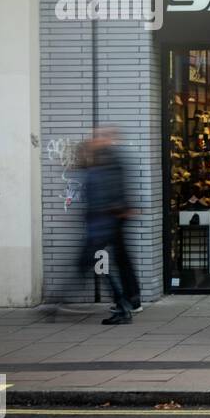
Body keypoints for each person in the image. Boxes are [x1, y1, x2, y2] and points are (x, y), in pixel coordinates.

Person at [81, 127, 140, 325]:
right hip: (111, 218)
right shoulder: (110, 159)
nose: (94, 140)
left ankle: (125, 303)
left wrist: (115, 210)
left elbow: (108, 190)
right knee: (119, 259)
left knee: (105, 262)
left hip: (107, 220)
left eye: (97, 137)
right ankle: (129, 300)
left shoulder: (106, 160)